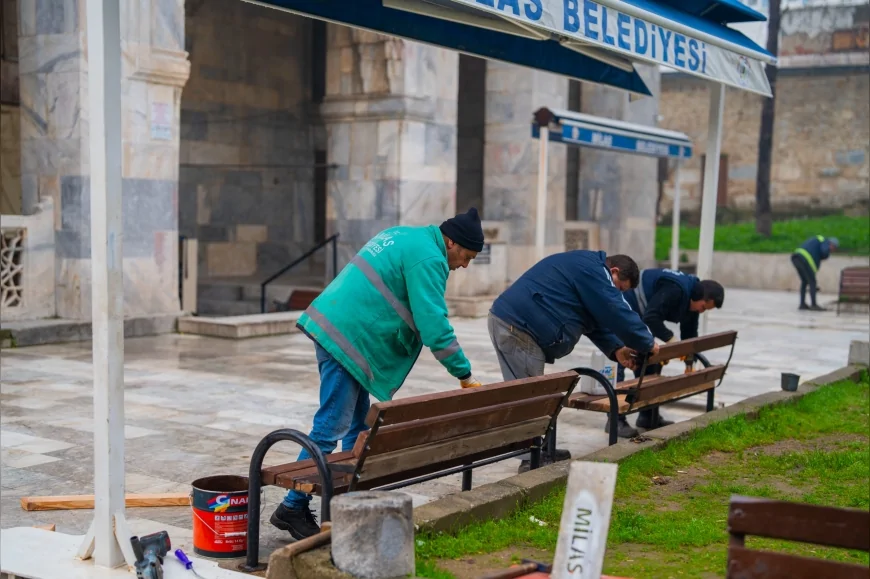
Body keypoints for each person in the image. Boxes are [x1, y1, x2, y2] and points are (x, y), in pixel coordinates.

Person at [270, 208, 485, 540]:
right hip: (348, 339)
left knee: (357, 428)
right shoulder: (429, 257)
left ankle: (347, 505)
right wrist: (465, 375)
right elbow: (435, 328)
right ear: (451, 241)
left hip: (337, 327)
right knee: (330, 427)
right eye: (466, 256)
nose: (464, 265)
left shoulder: (405, 234)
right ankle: (293, 506)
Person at [488, 251, 659, 465]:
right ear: (613, 271)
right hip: (518, 326)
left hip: (514, 323)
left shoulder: (587, 270)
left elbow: (593, 319)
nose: (618, 294)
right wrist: (647, 341)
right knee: (530, 398)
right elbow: (616, 309)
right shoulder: (595, 271)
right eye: (620, 288)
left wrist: (616, 349)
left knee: (536, 395)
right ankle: (531, 460)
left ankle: (541, 451)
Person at [610, 268, 726, 438]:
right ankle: (615, 419)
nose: (702, 311)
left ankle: (648, 415)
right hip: (626, 301)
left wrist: (689, 360)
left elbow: (689, 334)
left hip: (643, 311)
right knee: (619, 356)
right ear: (700, 298)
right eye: (703, 307)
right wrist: (671, 342)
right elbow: (651, 317)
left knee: (651, 358)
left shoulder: (693, 298)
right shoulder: (676, 289)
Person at [791, 235, 839, 311]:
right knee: (812, 282)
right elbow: (824, 251)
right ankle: (813, 305)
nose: (832, 250)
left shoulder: (818, 240)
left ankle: (802, 304)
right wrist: (827, 254)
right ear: (831, 244)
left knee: (804, 281)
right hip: (804, 259)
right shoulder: (825, 242)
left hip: (796, 257)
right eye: (834, 248)